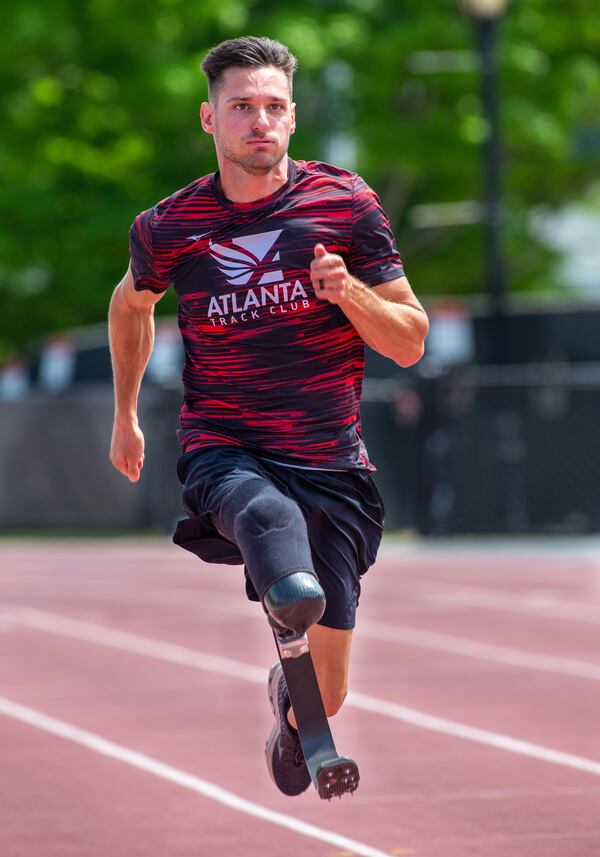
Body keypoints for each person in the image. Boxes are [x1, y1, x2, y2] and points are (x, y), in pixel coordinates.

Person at [108, 35, 428, 798]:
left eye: (274, 107)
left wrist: (348, 292)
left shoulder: (345, 203)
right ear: (209, 119)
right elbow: (131, 304)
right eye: (241, 107)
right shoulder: (170, 226)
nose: (260, 121)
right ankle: (284, 582)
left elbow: (411, 341)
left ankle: (292, 721)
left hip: (331, 458)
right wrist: (125, 413)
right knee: (268, 528)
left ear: (292, 117)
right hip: (227, 445)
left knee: (332, 688)